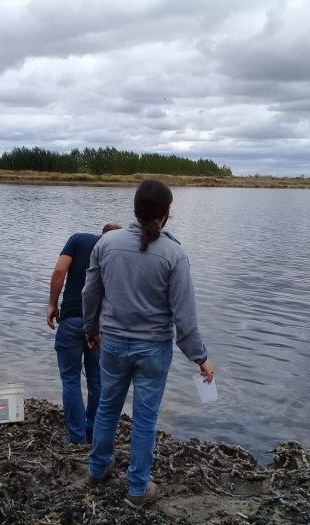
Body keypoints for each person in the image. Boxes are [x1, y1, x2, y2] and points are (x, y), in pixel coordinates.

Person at [82, 180, 214, 507]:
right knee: (144, 420)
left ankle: (97, 470)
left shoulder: (106, 243)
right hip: (153, 349)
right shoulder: (174, 254)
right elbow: (184, 318)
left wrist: (91, 327)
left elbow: (90, 293)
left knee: (106, 409)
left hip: (111, 344)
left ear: (135, 209)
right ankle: (138, 489)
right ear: (167, 213)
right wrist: (201, 358)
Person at [48, 223, 121, 445]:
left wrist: (52, 304)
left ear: (101, 232)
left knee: (70, 379)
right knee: (97, 380)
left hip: (71, 319)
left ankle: (76, 437)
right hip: (100, 326)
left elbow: (60, 270)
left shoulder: (78, 240)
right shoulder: (119, 251)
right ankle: (92, 432)